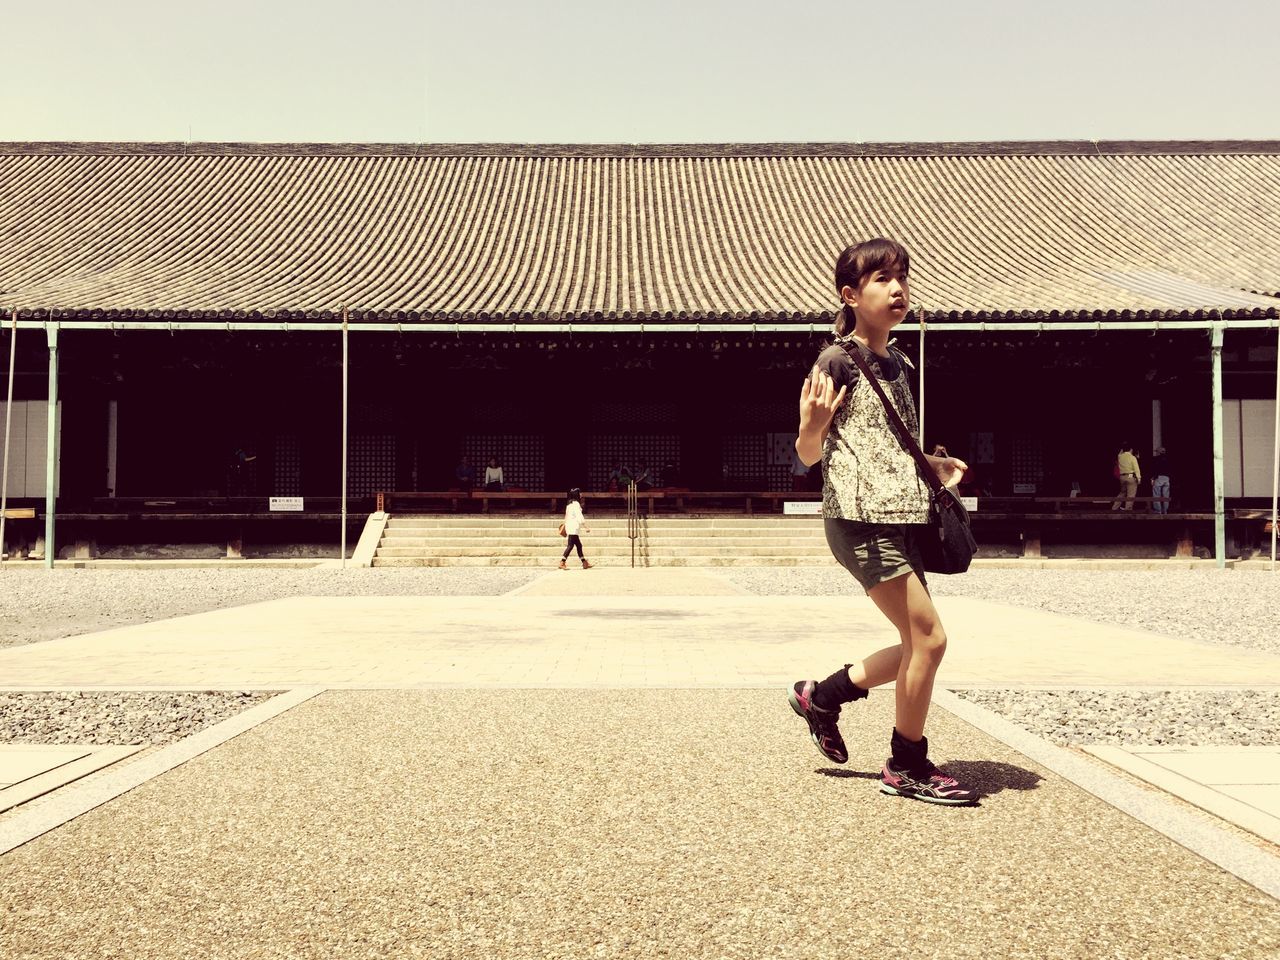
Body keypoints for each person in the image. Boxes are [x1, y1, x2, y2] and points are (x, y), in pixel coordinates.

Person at [787, 237, 979, 806]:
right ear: (851, 294)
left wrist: (930, 462)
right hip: (859, 518)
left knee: (917, 643)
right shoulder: (835, 361)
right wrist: (812, 426)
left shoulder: (899, 361)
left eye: (902, 276)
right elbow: (808, 454)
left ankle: (822, 695)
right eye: (881, 279)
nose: (897, 288)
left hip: (902, 513)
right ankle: (907, 764)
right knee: (931, 638)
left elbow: (885, 441)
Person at [559, 487, 593, 570]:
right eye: (580, 493)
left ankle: (584, 562)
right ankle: (562, 562)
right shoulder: (576, 505)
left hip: (570, 526)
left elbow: (566, 516)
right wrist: (585, 526)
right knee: (570, 545)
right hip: (574, 527)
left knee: (578, 545)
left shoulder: (569, 505)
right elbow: (579, 516)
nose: (581, 494)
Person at [1111, 443, 1140, 511]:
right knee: (1131, 494)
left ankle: (1114, 507)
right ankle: (1128, 509)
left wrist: (1123, 449)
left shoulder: (1120, 456)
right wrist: (1139, 478)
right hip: (1130, 477)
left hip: (1122, 477)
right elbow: (1136, 468)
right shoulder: (1132, 457)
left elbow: (1120, 453)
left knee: (1122, 492)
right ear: (1131, 449)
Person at [1150, 446, 1171, 514]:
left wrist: (1153, 478)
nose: (1156, 453)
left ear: (1159, 452)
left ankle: (1158, 510)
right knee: (1166, 496)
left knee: (1156, 494)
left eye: (1156, 452)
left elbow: (1155, 470)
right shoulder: (1168, 459)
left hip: (1159, 478)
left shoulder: (1156, 459)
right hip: (1167, 478)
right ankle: (1165, 511)